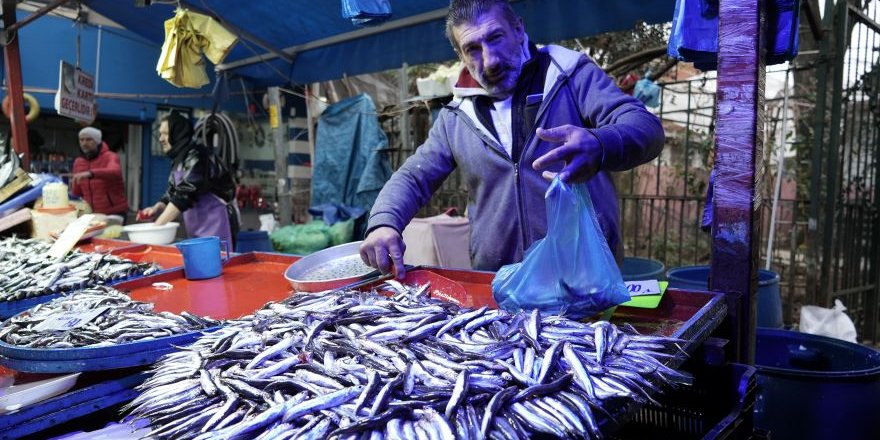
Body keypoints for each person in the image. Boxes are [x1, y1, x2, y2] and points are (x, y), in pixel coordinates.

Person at [360, 0, 664, 277]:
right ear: (460, 55)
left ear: (519, 29)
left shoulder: (569, 75)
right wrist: (384, 222)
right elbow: (415, 177)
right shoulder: (456, 116)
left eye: (495, 37)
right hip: (501, 284)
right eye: (473, 48)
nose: (490, 60)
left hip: (584, 278)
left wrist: (600, 144)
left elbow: (644, 127)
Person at [139, 111, 239, 246]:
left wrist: (156, 227)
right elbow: (173, 191)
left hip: (216, 227)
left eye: (166, 133)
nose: (161, 139)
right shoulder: (179, 159)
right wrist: (157, 207)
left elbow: (184, 194)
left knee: (218, 263)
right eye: (161, 133)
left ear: (178, 133)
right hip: (196, 228)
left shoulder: (197, 155)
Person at [70, 127, 129, 218]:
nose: (84, 143)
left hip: (114, 212)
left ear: (97, 141)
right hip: (91, 214)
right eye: (81, 140)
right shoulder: (78, 162)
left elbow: (115, 171)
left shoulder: (111, 156)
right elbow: (77, 192)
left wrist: (91, 173)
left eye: (89, 140)